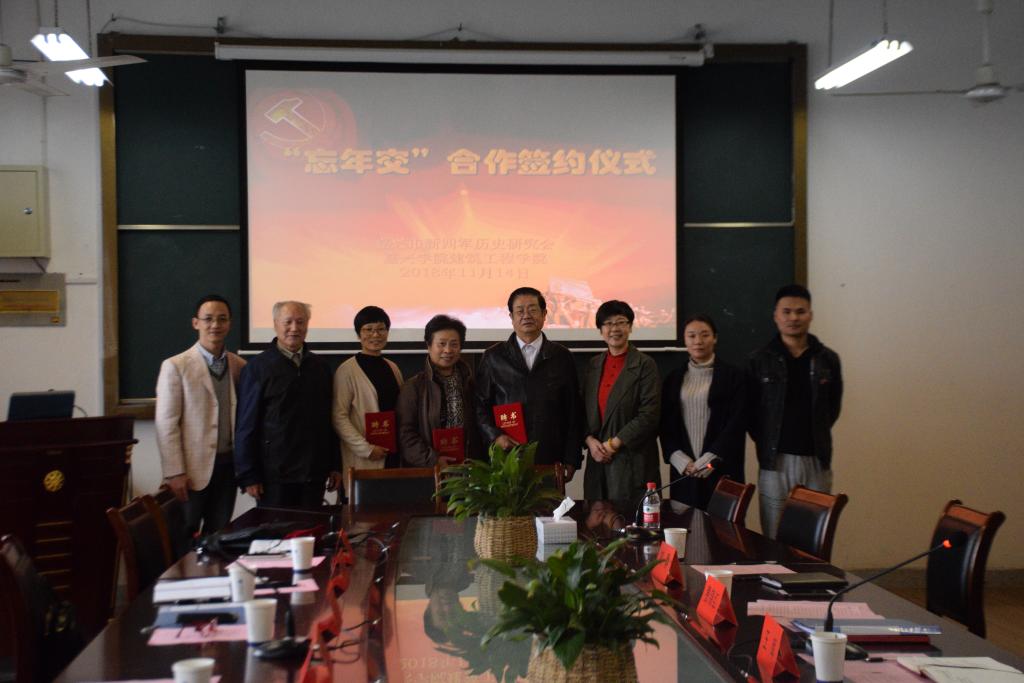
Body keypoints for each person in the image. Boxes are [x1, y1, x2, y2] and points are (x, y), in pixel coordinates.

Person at [748, 284, 843, 538]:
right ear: (775, 316)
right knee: (774, 536)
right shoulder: (759, 360)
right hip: (775, 461)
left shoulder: (827, 359)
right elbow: (752, 413)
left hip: (816, 460)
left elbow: (832, 408)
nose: (793, 318)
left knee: (813, 536)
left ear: (810, 315)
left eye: (800, 312)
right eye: (787, 312)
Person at [155, 294, 245, 540]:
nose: (215, 325)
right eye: (208, 319)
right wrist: (174, 472)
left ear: (230, 324)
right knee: (183, 536)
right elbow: (166, 424)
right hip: (190, 473)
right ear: (196, 323)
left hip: (228, 468)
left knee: (219, 536)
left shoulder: (239, 366)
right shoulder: (176, 366)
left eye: (222, 319)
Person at [234, 300, 341, 509]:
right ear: (275, 324)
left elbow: (329, 420)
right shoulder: (257, 368)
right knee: (276, 530)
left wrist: (335, 465)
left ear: (307, 325)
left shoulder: (320, 367)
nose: (294, 328)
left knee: (312, 528)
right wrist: (248, 474)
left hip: (314, 473)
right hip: (274, 477)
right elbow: (246, 425)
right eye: (288, 322)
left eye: (300, 322)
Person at [474, 286, 584, 481]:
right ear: (511, 317)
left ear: (544, 314)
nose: (526, 315)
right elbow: (480, 406)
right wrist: (495, 436)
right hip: (507, 456)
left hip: (550, 455)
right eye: (520, 311)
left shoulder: (561, 356)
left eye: (533, 309)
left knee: (549, 502)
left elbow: (573, 410)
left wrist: (572, 458)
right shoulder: (493, 357)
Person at [658, 314, 746, 509]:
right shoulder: (673, 378)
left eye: (705, 335)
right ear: (684, 340)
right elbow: (665, 425)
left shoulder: (734, 377)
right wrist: (680, 460)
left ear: (715, 338)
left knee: (723, 525)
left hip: (722, 468)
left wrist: (709, 460)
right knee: (684, 524)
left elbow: (737, 422)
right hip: (685, 471)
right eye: (691, 336)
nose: (698, 341)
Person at [582, 300, 661, 505]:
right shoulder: (593, 365)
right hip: (597, 460)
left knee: (630, 521)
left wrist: (613, 444)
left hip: (632, 461)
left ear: (630, 327)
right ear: (600, 330)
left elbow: (649, 415)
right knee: (595, 519)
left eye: (620, 322)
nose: (614, 329)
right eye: (608, 323)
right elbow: (582, 411)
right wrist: (589, 441)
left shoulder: (645, 365)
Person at [397, 314, 482, 467]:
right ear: (429, 346)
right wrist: (433, 459)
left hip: (467, 468)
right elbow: (405, 434)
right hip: (430, 470)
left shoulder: (470, 384)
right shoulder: (414, 387)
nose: (448, 350)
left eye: (454, 344)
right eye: (441, 344)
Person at [333, 306, 404, 478]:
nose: (375, 334)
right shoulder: (347, 370)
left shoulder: (393, 367)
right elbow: (339, 416)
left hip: (393, 455)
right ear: (359, 334)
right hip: (364, 457)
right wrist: (366, 449)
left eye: (381, 329)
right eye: (368, 329)